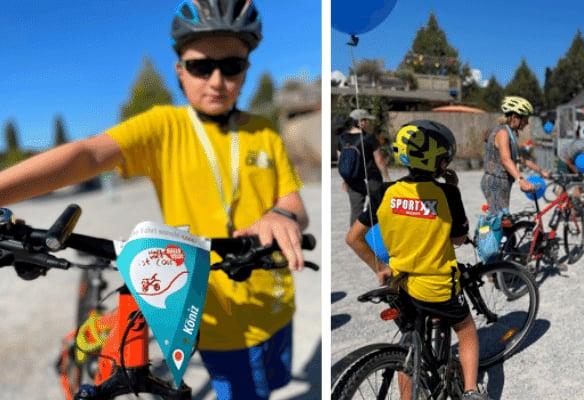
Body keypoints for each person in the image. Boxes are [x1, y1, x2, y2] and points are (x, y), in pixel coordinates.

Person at [0, 2, 309, 398]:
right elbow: (89, 154)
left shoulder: (265, 131)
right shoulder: (165, 126)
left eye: (232, 66)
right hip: (209, 314)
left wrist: (282, 213)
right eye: (201, 67)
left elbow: (295, 204)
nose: (217, 81)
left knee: (274, 383)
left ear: (247, 68)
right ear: (180, 70)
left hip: (277, 302)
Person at [345, 120, 489, 400]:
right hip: (438, 286)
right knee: (467, 329)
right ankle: (471, 391)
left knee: (409, 346)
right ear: (440, 162)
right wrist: (452, 187)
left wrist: (381, 267)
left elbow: (353, 238)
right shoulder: (447, 193)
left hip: (400, 285)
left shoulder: (384, 192)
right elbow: (459, 239)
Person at [481, 96, 546, 214]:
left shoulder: (510, 134)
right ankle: (484, 232)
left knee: (502, 218)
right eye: (525, 119)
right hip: (495, 182)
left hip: (502, 182)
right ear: (515, 117)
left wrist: (541, 171)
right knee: (499, 221)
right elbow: (506, 160)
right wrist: (521, 180)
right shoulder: (503, 132)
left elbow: (520, 159)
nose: (527, 123)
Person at [338, 108, 391, 226]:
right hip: (372, 178)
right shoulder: (369, 138)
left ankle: (355, 236)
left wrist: (345, 180)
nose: (369, 123)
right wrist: (387, 177)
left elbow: (341, 161)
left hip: (353, 180)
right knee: (375, 208)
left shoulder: (342, 138)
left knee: (356, 210)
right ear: (360, 121)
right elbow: (379, 160)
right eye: (367, 120)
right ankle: (372, 235)